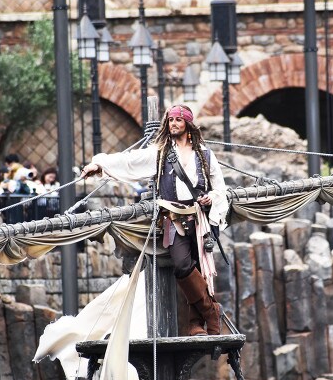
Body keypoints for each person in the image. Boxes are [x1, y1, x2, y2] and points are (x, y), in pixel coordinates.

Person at [80, 105, 227, 336]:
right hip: (173, 219)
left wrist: (212, 197)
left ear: (188, 124)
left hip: (199, 219)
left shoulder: (205, 155)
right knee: (182, 266)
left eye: (178, 120)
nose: (173, 124)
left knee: (199, 267)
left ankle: (196, 324)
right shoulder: (160, 153)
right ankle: (211, 311)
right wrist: (100, 165)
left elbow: (220, 188)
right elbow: (130, 161)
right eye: (170, 120)